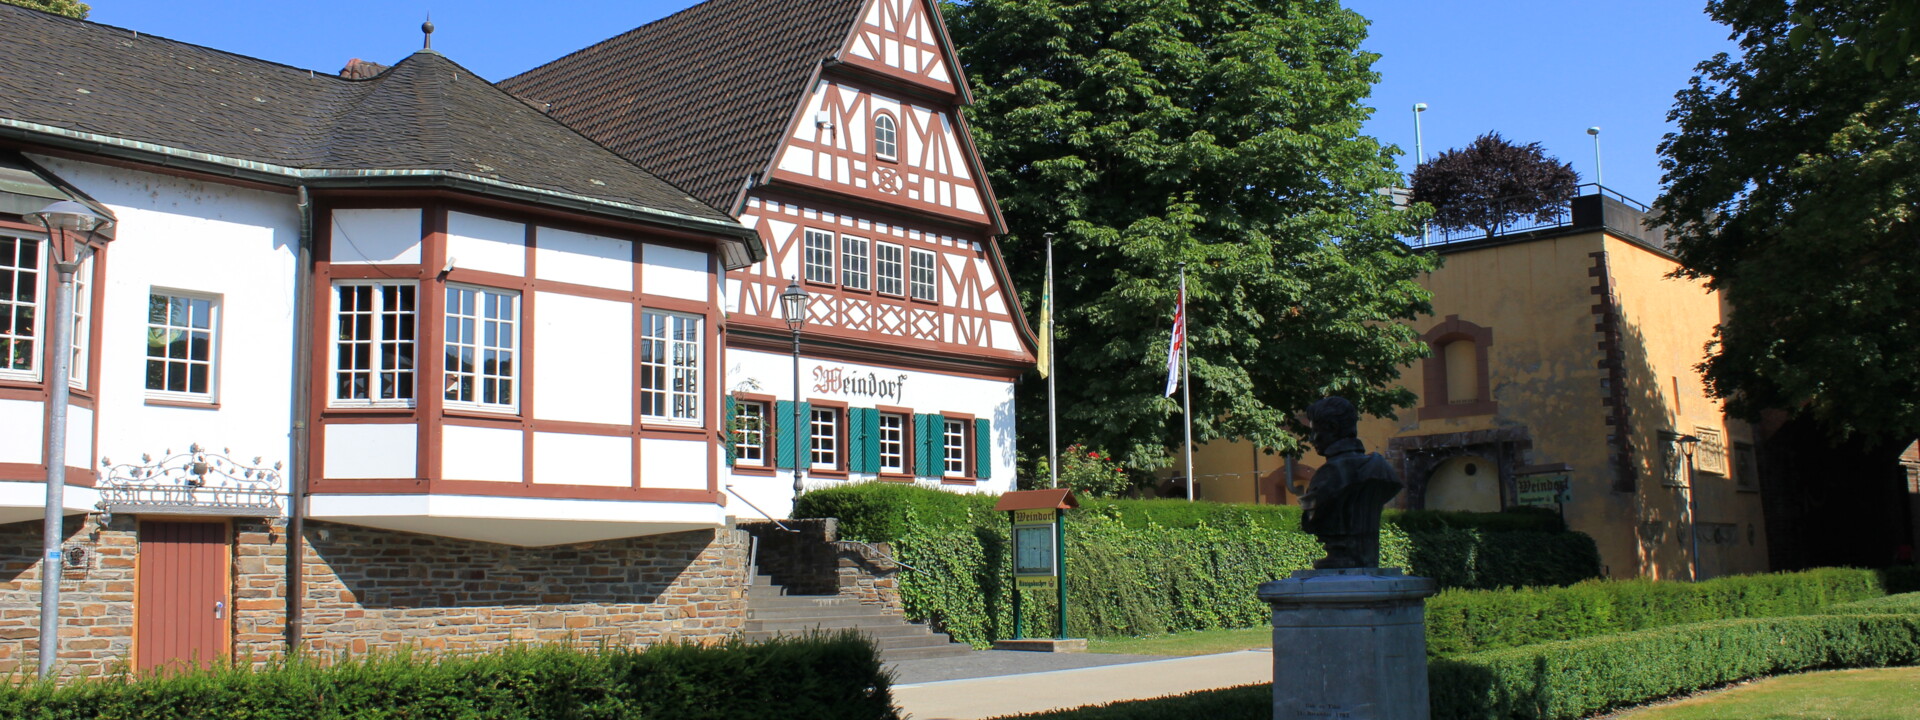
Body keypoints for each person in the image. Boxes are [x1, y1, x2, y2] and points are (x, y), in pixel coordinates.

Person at [1288, 396, 1402, 569]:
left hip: (1342, 557)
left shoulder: (1331, 473)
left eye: (1315, 431)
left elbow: (1310, 522)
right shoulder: (1381, 468)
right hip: (1366, 557)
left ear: (1332, 428)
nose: (1311, 439)